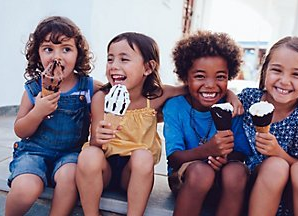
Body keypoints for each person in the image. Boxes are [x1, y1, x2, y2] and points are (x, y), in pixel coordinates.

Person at [75, 32, 243, 216]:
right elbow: (96, 145)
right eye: (110, 59)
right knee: (89, 154)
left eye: (124, 59)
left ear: (148, 68)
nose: (114, 66)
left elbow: (195, 88)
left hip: (133, 173)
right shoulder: (102, 98)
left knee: (143, 156)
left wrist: (230, 94)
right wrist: (98, 139)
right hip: (103, 169)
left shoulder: (156, 97)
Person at [5, 16, 101, 216]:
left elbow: (119, 90)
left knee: (71, 176)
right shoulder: (33, 89)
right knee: (25, 188)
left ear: (78, 54)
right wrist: (37, 112)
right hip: (33, 152)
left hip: (70, 155)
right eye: (48, 49)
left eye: (66, 49)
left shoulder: (87, 87)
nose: (57, 56)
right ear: (37, 54)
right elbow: (20, 130)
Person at [238, 36, 298, 216]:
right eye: (277, 70)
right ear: (265, 70)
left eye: (296, 74)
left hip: (292, 197)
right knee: (275, 167)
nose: (284, 81)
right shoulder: (248, 99)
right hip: (254, 186)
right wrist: (228, 95)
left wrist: (278, 152)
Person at [163, 30, 251, 216]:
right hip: (187, 177)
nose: (210, 85)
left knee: (237, 171)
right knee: (202, 173)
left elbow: (241, 152)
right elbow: (174, 158)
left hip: (223, 179)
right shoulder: (175, 107)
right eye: (200, 76)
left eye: (220, 77)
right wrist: (208, 150)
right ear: (186, 78)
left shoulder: (233, 108)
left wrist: (225, 159)